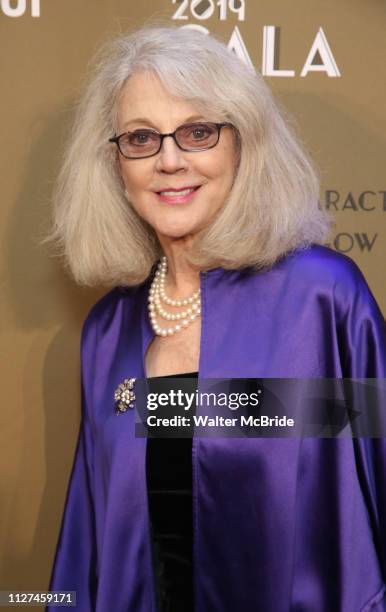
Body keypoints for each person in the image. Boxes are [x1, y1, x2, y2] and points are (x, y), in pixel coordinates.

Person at [46, 24, 386, 612]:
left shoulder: (320, 300)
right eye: (141, 138)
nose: (170, 161)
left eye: (198, 132)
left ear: (243, 145)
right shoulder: (108, 331)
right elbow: (89, 543)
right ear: (115, 164)